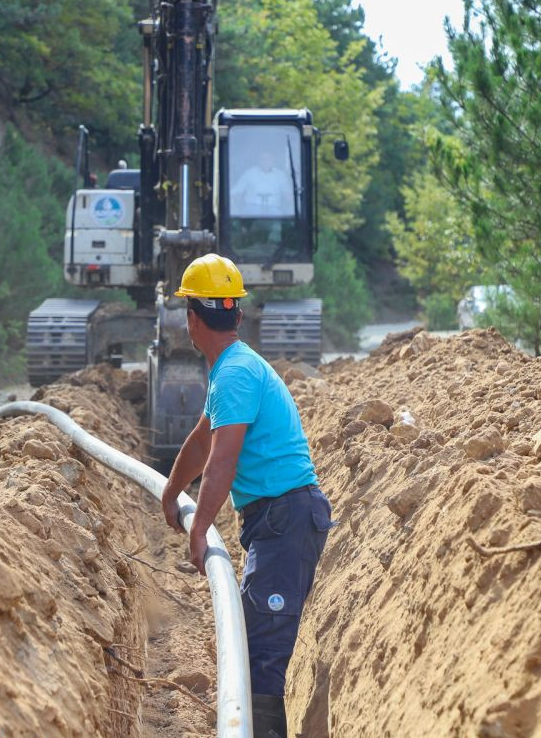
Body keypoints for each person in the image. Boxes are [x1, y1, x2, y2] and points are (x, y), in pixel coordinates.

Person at [160, 253, 332, 738]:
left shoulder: (235, 373)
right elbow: (201, 440)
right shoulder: (231, 369)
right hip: (277, 520)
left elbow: (221, 460)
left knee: (260, 655)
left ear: (193, 319)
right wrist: (173, 490)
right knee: (256, 644)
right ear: (235, 312)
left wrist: (198, 530)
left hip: (287, 519)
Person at [230, 148, 295, 217]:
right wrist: (235, 204)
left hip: (273, 210)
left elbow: (288, 195)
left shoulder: (280, 175)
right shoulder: (249, 173)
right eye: (263, 159)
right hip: (252, 210)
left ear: (273, 160)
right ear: (258, 160)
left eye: (268, 159)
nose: (265, 161)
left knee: (278, 224)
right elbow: (236, 192)